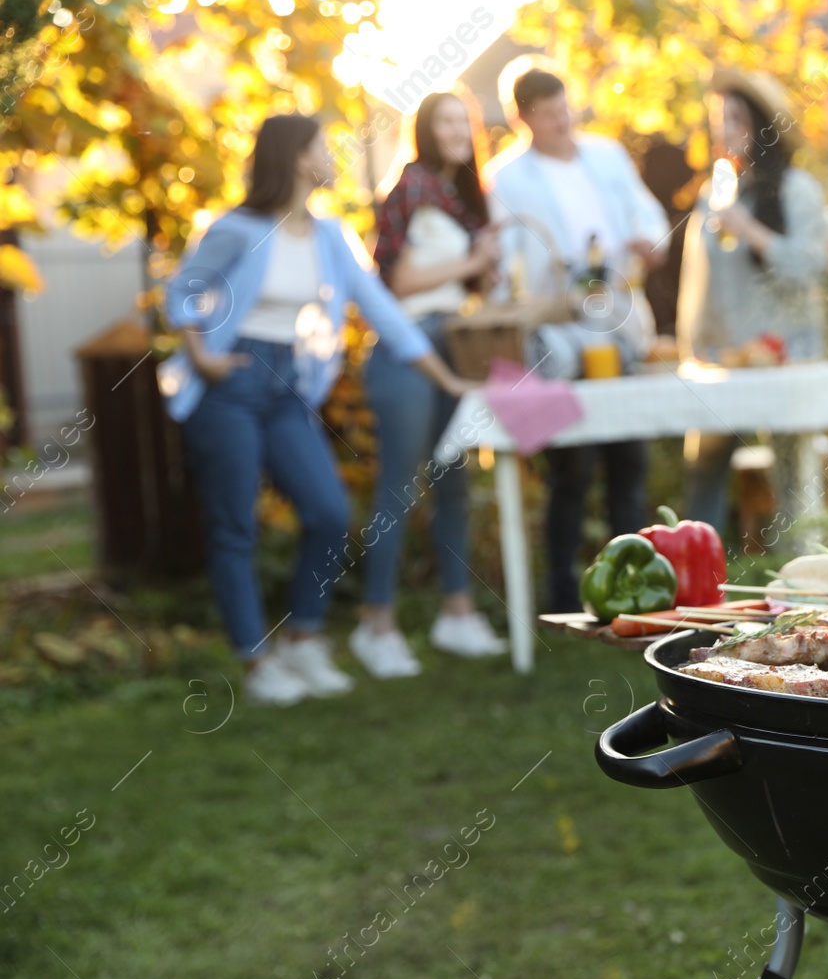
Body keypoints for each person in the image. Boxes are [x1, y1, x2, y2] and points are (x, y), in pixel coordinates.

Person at [162, 113, 473, 706]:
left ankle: (302, 638)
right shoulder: (237, 228)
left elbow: (384, 313)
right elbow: (183, 290)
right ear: (297, 157)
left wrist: (449, 379)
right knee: (236, 525)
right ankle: (256, 662)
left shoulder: (330, 236)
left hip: (285, 387)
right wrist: (200, 354)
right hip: (229, 385)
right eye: (322, 146)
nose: (332, 154)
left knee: (329, 513)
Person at [485, 61, 670, 612]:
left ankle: (636, 586)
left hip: (618, 323)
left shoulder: (606, 155)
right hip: (558, 335)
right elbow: (506, 263)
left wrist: (649, 242)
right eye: (546, 116)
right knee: (571, 463)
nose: (560, 123)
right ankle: (564, 592)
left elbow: (646, 216)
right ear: (523, 119)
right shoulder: (509, 178)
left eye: (564, 110)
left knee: (628, 457)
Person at [350, 91, 508, 679]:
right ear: (424, 129)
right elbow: (400, 282)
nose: (454, 131)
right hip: (406, 351)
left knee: (454, 481)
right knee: (399, 487)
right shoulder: (411, 189)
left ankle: (457, 612)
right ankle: (377, 625)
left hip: (455, 346)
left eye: (460, 121)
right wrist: (470, 263)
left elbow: (474, 291)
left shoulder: (465, 199)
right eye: (442, 121)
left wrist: (485, 263)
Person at [677, 66, 828, 537]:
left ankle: (802, 587)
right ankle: (696, 590)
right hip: (726, 360)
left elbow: (810, 266)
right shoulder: (716, 192)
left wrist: (753, 234)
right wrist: (693, 346)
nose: (726, 129)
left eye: (737, 117)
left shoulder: (797, 189)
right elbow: (698, 281)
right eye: (720, 118)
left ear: (763, 124)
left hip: (785, 356)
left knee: (793, 479)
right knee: (703, 471)